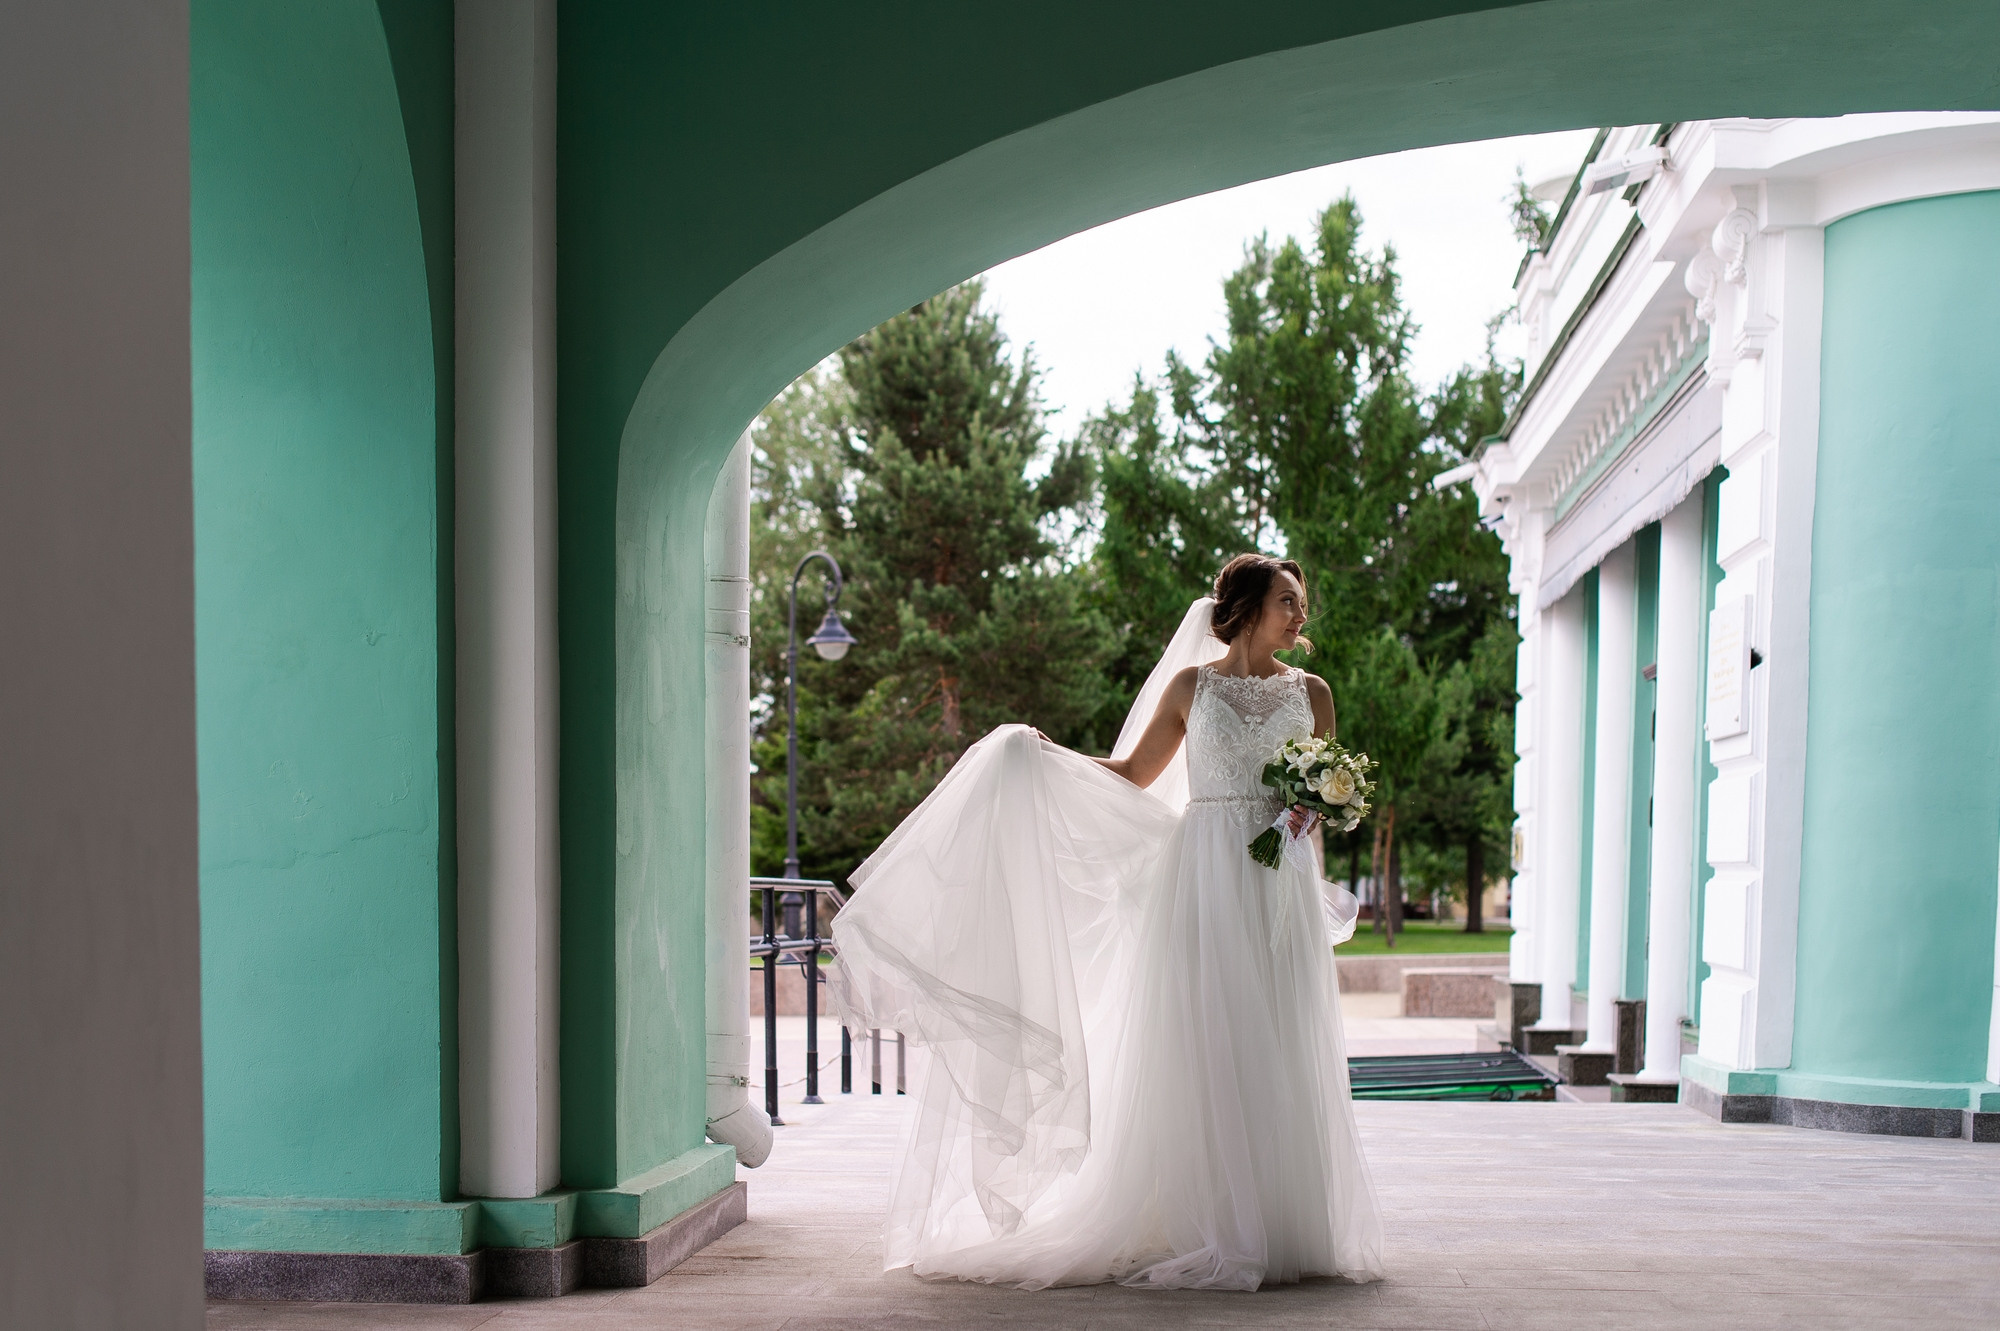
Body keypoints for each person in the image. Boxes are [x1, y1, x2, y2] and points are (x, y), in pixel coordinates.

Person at [828, 554, 1384, 1291]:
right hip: (1204, 878)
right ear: (1248, 607)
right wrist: (1045, 756)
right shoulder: (1192, 687)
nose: (1300, 614)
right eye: (1288, 600)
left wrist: (1315, 814)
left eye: (1300, 602)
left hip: (1279, 881)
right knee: (1208, 1037)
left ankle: (1282, 1223)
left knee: (1282, 1037)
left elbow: (1322, 796)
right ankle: (1209, 1220)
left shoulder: (1312, 692)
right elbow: (1132, 775)